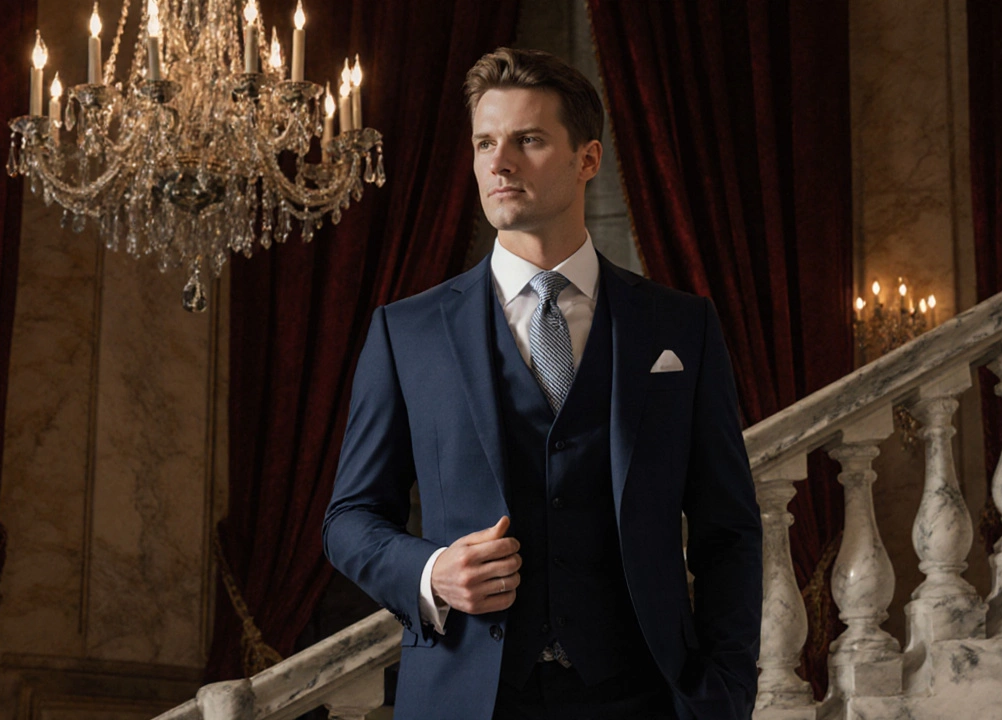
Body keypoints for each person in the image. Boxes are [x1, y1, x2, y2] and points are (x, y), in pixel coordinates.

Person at [323, 47, 761, 720]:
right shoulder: (405, 332)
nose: (499, 164)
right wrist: (429, 571)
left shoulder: (681, 327)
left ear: (588, 159)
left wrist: (725, 694)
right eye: (485, 143)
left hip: (642, 694)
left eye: (528, 141)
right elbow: (350, 519)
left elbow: (726, 530)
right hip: (468, 698)